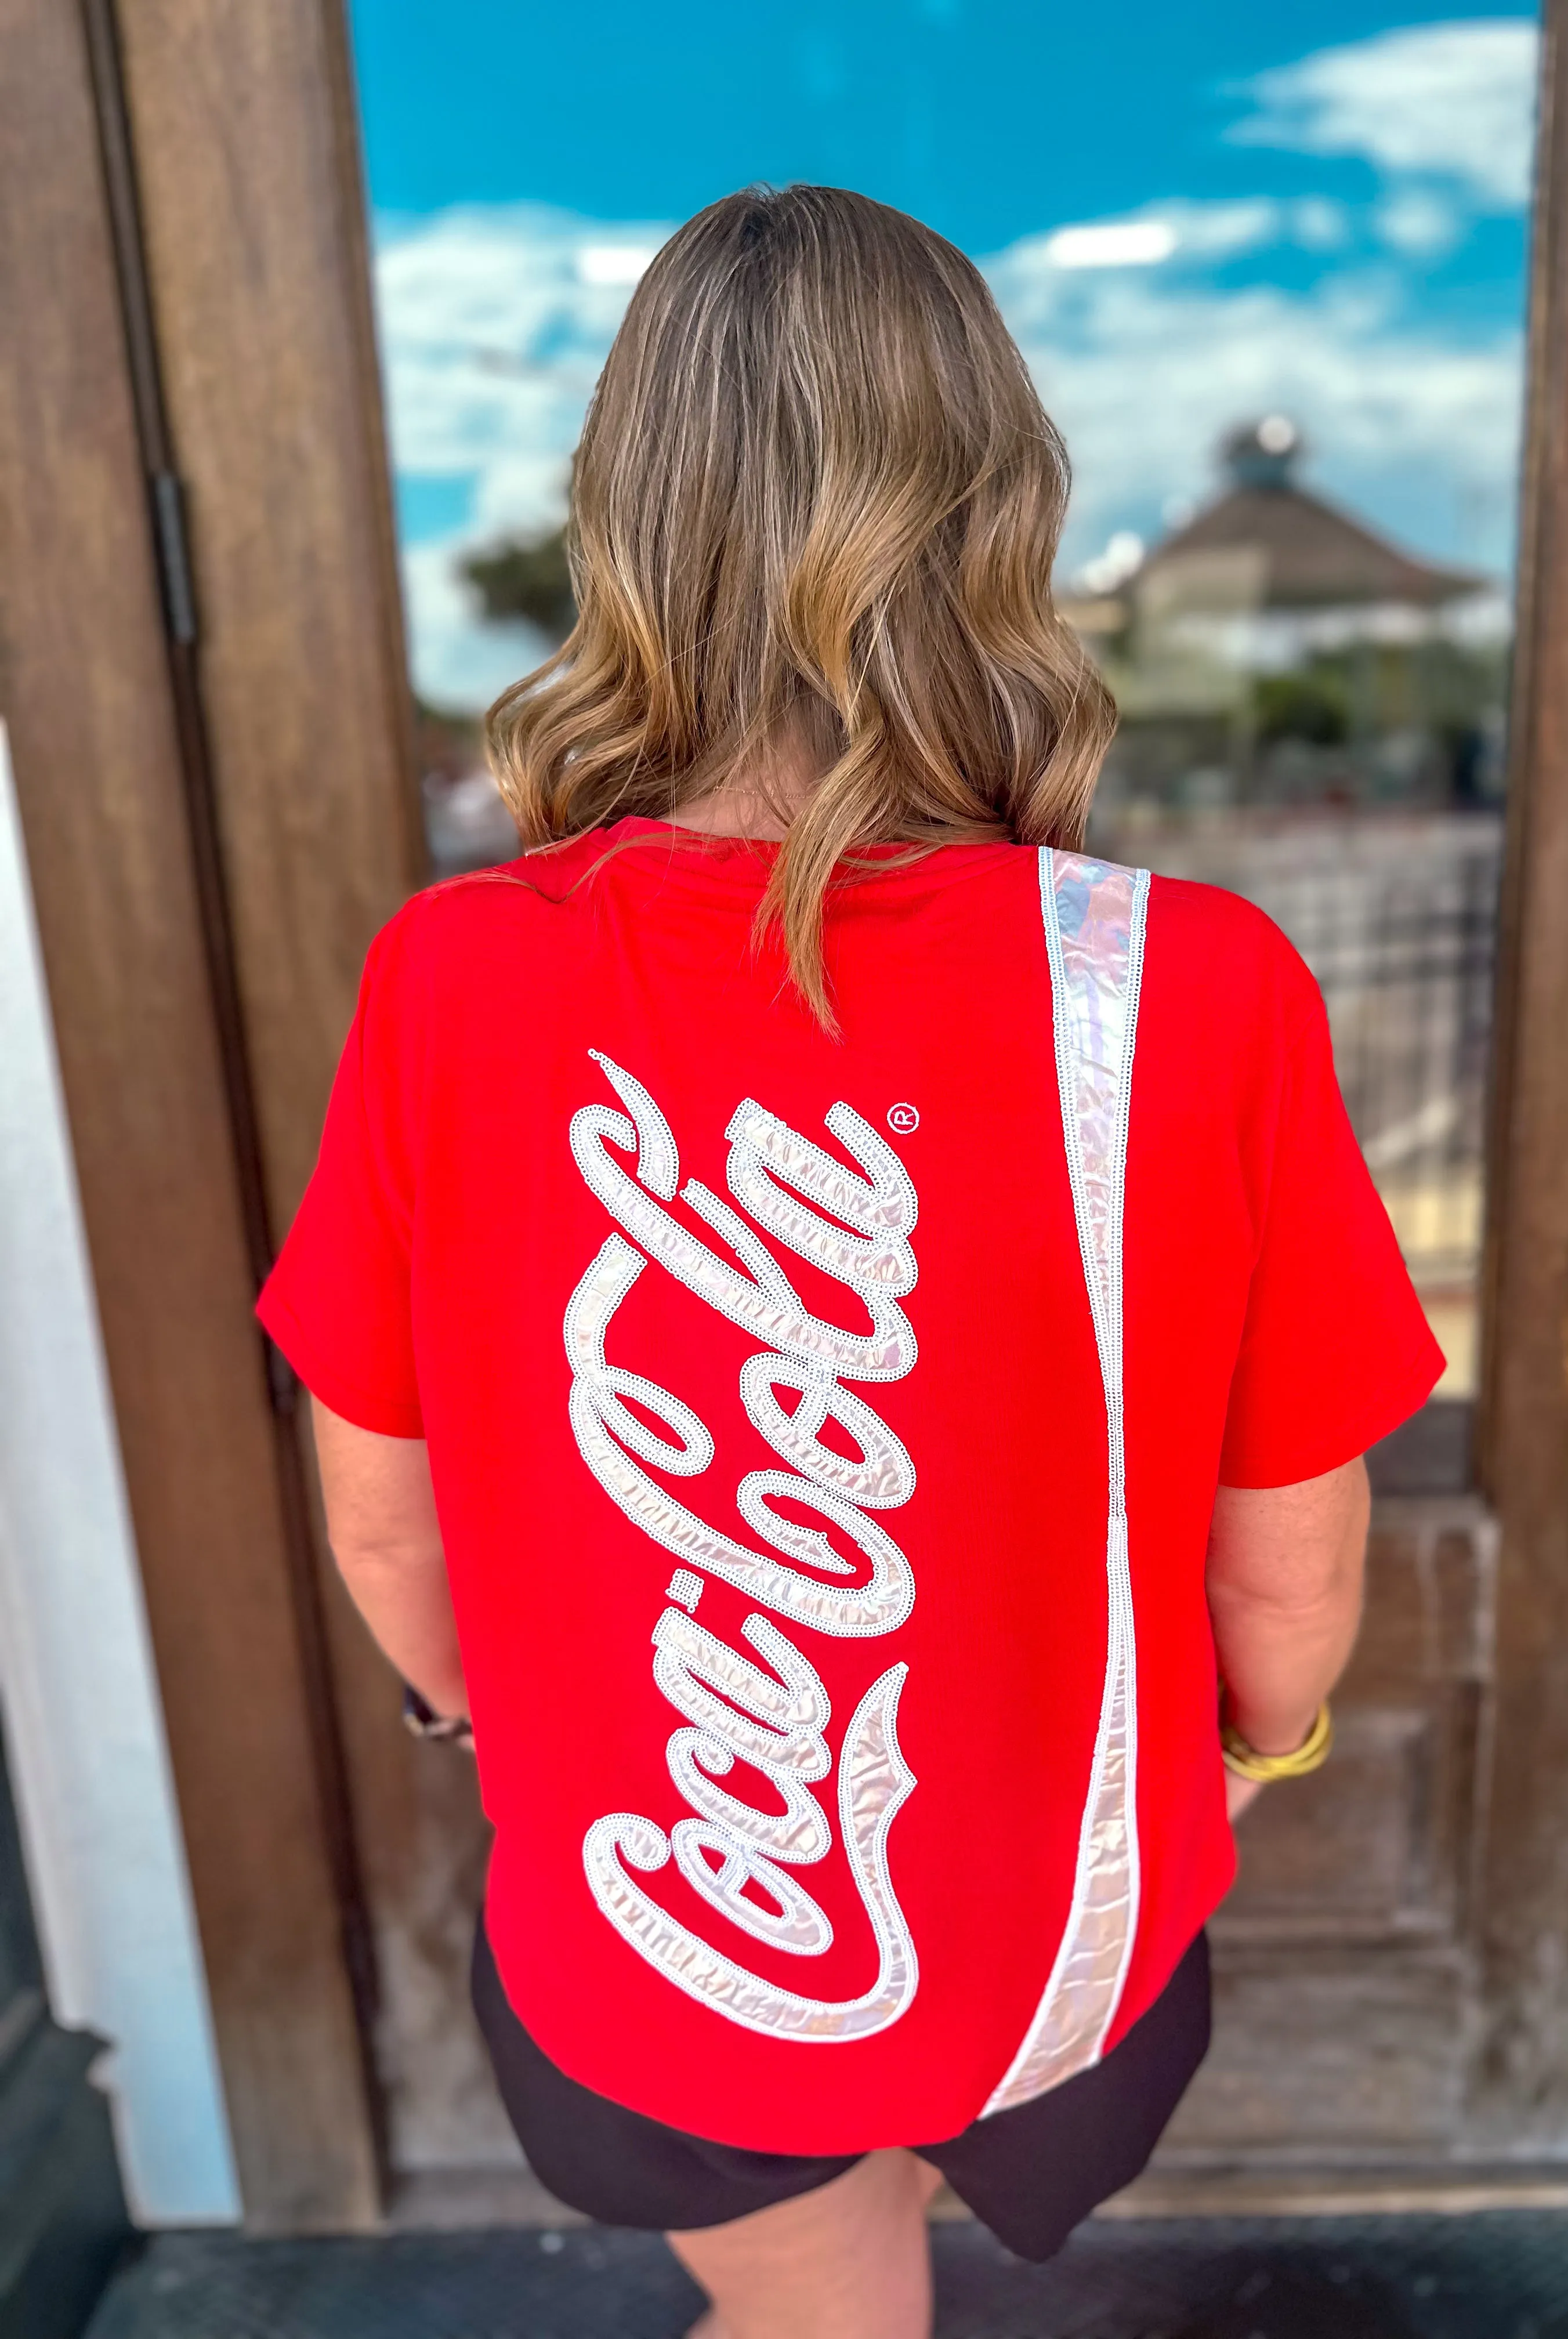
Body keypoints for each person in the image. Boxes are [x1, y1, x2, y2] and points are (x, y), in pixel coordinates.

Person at [258, 184, 1442, 2339]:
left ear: (626, 530)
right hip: (1068, 1956)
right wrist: (1253, 1763)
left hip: (670, 1939)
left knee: (814, 2313)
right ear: (1002, 519)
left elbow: (379, 1512)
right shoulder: (1194, 985)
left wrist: (480, 1723)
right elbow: (1288, 1580)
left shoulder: (450, 984)